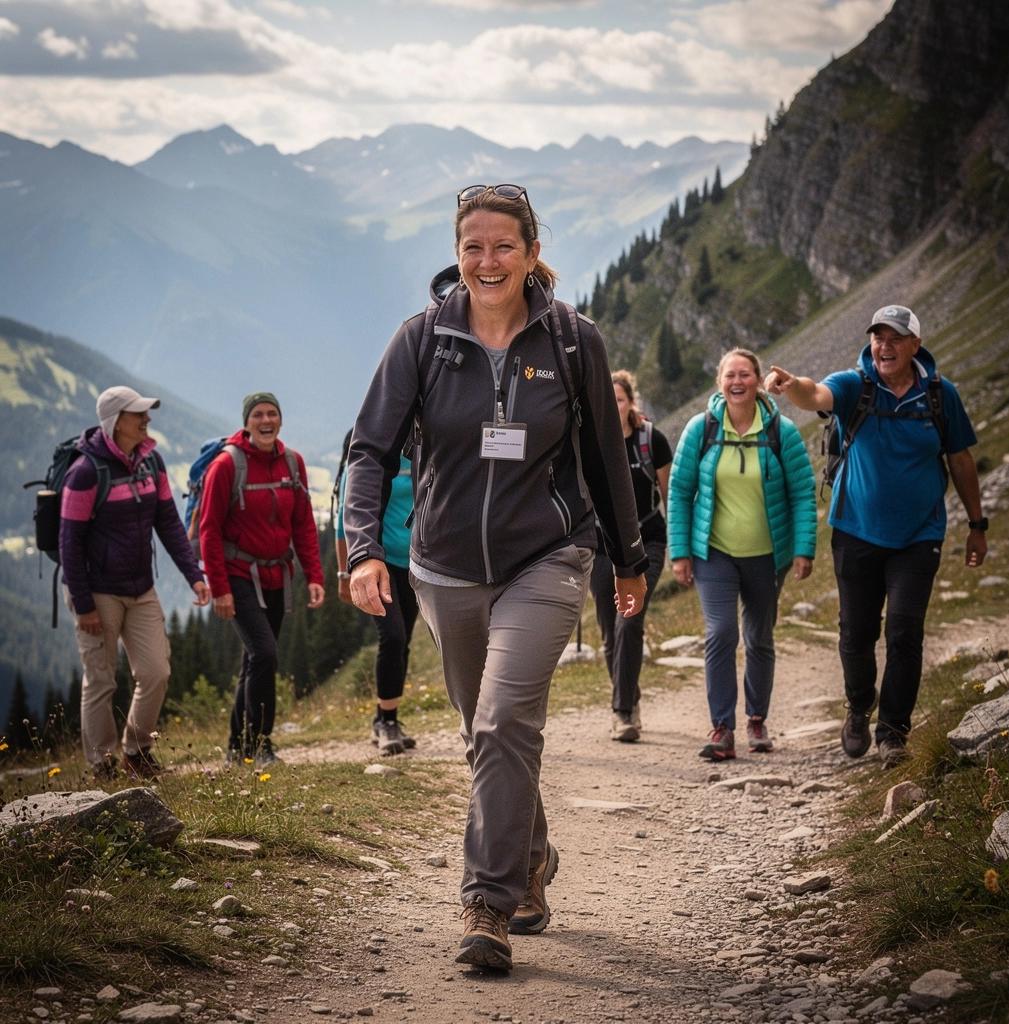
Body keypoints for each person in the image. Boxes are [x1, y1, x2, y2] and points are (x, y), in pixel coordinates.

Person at [344, 184, 648, 972]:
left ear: (532, 253)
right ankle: (531, 856)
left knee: (506, 717)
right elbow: (369, 450)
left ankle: (487, 905)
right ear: (456, 254)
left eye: (503, 246)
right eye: (473, 247)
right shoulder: (423, 339)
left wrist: (630, 561)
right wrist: (363, 548)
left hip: (548, 555)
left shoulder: (573, 341)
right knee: (483, 730)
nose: (488, 261)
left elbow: (605, 459)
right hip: (443, 568)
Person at [765, 305, 987, 767]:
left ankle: (893, 733)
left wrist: (977, 524)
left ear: (915, 346)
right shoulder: (855, 385)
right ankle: (858, 706)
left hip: (919, 534)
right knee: (857, 632)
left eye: (895, 338)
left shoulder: (940, 395)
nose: (884, 346)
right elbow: (815, 393)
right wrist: (791, 386)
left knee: (905, 631)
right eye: (877, 337)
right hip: (856, 530)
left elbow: (961, 460)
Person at [667, 349, 816, 762]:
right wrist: (680, 552)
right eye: (730, 375)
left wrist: (803, 549)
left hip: (768, 555)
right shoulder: (701, 429)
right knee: (720, 633)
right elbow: (679, 492)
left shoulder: (782, 432)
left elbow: (802, 493)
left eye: (745, 374)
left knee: (759, 637)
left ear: (758, 380)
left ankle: (756, 719)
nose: (738, 382)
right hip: (713, 552)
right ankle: (722, 728)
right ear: (720, 382)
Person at [60, 386, 211, 780]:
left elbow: (169, 523)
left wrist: (194, 575)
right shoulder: (85, 472)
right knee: (101, 679)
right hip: (97, 592)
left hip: (141, 588)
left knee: (156, 671)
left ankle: (136, 751)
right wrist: (84, 604)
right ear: (115, 420)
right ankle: (101, 765)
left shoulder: (151, 462)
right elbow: (69, 543)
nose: (147, 419)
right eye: (138, 413)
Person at [198, 392, 325, 766]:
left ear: (280, 419)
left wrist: (314, 575)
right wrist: (220, 588)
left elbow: (303, 523)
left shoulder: (292, 463)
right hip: (238, 574)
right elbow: (209, 530)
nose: (266, 420)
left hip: (277, 575)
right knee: (265, 654)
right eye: (258, 415)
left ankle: (236, 748)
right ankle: (259, 744)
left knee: (255, 659)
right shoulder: (226, 465)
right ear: (246, 422)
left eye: (272, 414)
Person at [590, 370, 671, 742]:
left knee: (629, 619)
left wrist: (681, 547)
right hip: (601, 546)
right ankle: (629, 697)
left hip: (646, 542)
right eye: (607, 399)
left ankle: (623, 712)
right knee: (610, 630)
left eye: (619, 400)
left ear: (630, 403)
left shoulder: (652, 440)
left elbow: (669, 495)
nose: (613, 406)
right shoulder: (588, 440)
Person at [336, 448, 418, 756]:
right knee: (393, 637)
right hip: (378, 563)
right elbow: (343, 522)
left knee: (403, 640)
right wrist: (344, 572)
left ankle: (385, 716)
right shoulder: (371, 457)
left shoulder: (423, 450)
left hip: (415, 563)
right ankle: (387, 722)